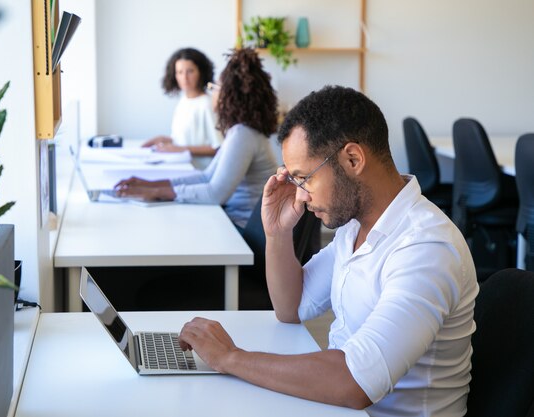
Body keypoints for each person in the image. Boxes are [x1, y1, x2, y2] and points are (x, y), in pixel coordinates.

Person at [177, 86, 479, 416]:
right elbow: (290, 307)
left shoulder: (426, 248)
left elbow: (355, 381)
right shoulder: (356, 226)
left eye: (304, 178)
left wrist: (230, 358)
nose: (301, 196)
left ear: (353, 159)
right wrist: (277, 233)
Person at [116, 48, 278, 228]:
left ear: (230, 94)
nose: (213, 93)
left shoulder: (243, 135)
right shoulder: (239, 131)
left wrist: (156, 192)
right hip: (231, 220)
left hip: (242, 229)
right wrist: (149, 185)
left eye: (215, 88)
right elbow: (206, 177)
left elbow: (216, 193)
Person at [142, 47, 223, 169]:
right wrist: (165, 140)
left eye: (190, 71)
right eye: (179, 72)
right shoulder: (183, 101)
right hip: (182, 168)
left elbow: (219, 148)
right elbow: (184, 139)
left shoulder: (207, 104)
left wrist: (180, 149)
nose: (184, 77)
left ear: (201, 72)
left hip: (201, 173)